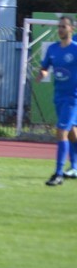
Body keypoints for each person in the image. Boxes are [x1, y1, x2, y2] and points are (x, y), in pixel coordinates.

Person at [38, 15, 77, 186]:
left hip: (73, 97)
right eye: (59, 26)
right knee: (72, 132)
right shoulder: (52, 49)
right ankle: (75, 167)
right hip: (59, 96)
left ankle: (58, 174)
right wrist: (42, 73)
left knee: (61, 132)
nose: (60, 29)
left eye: (63, 26)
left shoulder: (75, 49)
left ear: (71, 29)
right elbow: (45, 67)